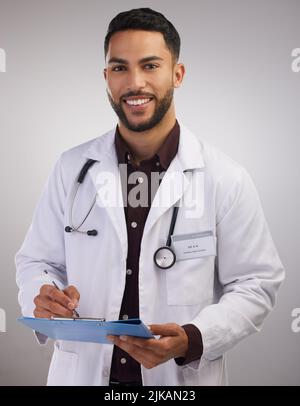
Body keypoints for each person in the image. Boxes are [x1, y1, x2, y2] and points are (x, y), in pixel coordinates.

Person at [15, 8, 285, 386]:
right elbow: (36, 261)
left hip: (176, 384)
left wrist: (192, 338)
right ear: (106, 77)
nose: (134, 82)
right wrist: (41, 297)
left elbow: (257, 282)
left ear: (178, 74)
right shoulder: (71, 169)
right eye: (119, 68)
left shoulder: (224, 178)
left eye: (151, 65)